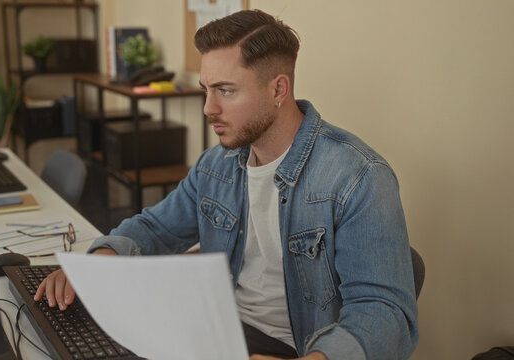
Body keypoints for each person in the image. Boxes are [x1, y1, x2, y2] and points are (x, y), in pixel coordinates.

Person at [35, 9, 418, 360]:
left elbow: (384, 312)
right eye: (206, 89)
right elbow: (156, 227)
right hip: (214, 331)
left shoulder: (358, 177)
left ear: (278, 90)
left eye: (226, 90)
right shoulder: (216, 165)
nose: (208, 108)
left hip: (295, 350)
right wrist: (93, 269)